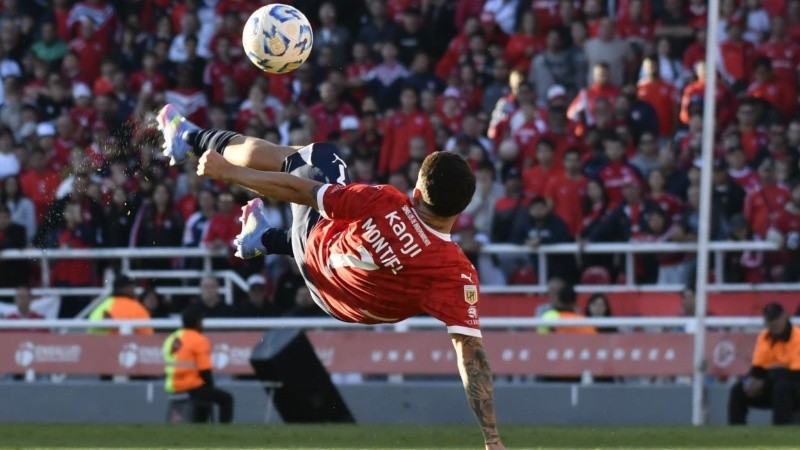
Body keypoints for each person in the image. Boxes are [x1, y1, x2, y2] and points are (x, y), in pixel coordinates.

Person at [157, 104, 505, 449]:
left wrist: (228, 172)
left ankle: (192, 137)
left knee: (314, 155)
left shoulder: (385, 201)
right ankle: (264, 238)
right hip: (346, 305)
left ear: (416, 192)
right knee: (355, 240)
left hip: (317, 254)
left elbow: (299, 191)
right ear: (460, 211)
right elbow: (472, 356)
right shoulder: (455, 272)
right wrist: (491, 438)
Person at [728, 303, 800, 425]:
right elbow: (758, 368)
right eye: (770, 320)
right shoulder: (764, 337)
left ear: (785, 317)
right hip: (772, 384)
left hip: (795, 387)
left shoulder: (797, 336)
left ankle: (780, 433)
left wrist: (765, 379)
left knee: (781, 388)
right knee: (738, 389)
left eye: (776, 318)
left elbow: (794, 374)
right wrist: (750, 382)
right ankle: (736, 433)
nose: (774, 323)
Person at [163, 307, 233, 423]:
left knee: (205, 394)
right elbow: (205, 370)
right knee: (226, 399)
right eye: (201, 321)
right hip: (191, 387)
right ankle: (223, 430)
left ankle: (199, 425)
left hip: (172, 386)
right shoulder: (199, 340)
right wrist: (210, 387)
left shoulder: (171, 338)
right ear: (197, 322)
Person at [88, 275, 153, 335]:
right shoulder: (137, 308)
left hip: (99, 345)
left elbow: (91, 330)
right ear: (127, 288)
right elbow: (147, 335)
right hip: (129, 346)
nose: (134, 290)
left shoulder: (102, 306)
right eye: (132, 287)